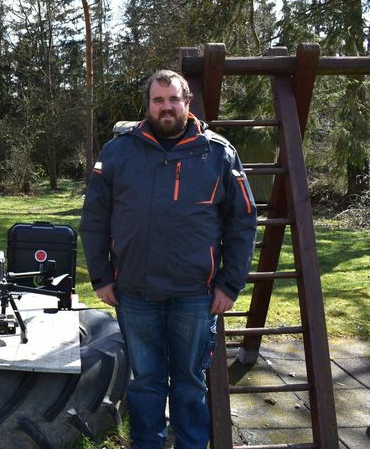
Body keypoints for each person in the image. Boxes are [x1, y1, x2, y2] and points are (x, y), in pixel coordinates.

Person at [80, 70, 257, 448]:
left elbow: (243, 222)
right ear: (148, 105)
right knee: (145, 381)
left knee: (190, 382)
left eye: (173, 99)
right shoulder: (117, 152)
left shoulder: (218, 153)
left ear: (187, 103)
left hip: (195, 293)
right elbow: (93, 220)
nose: (166, 107)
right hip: (134, 291)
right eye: (158, 100)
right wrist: (101, 277)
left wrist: (230, 284)